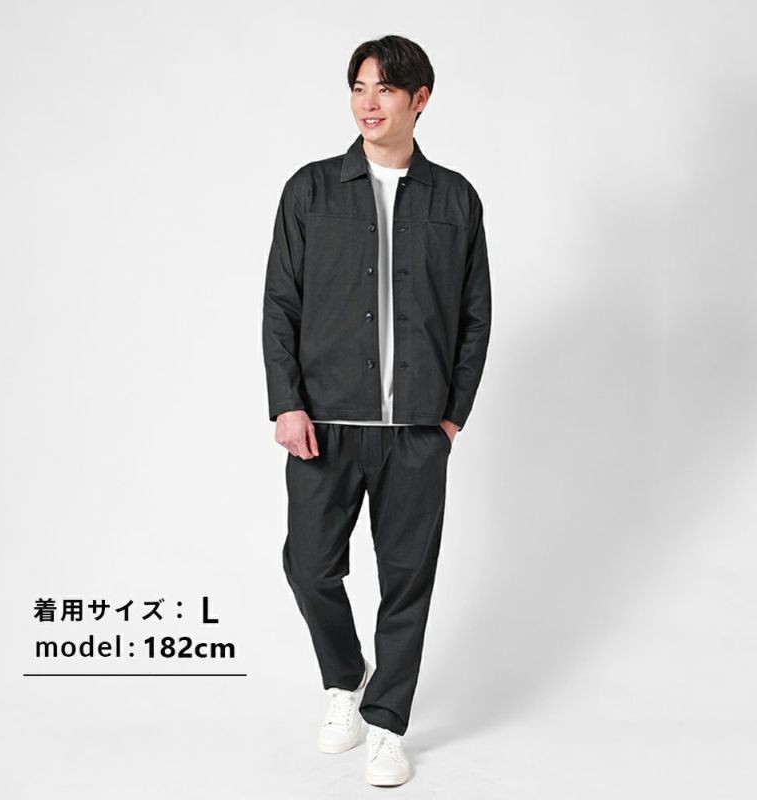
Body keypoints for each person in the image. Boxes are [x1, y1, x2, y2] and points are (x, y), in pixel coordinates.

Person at [262, 34, 492, 787]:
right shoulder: (310, 191)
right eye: (359, 87)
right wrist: (287, 403)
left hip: (417, 431)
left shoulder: (454, 199)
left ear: (419, 99)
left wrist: (451, 417)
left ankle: (387, 725)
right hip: (324, 424)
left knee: (407, 582)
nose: (369, 102)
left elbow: (475, 317)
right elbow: (280, 304)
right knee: (309, 567)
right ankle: (345, 680)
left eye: (386, 89)